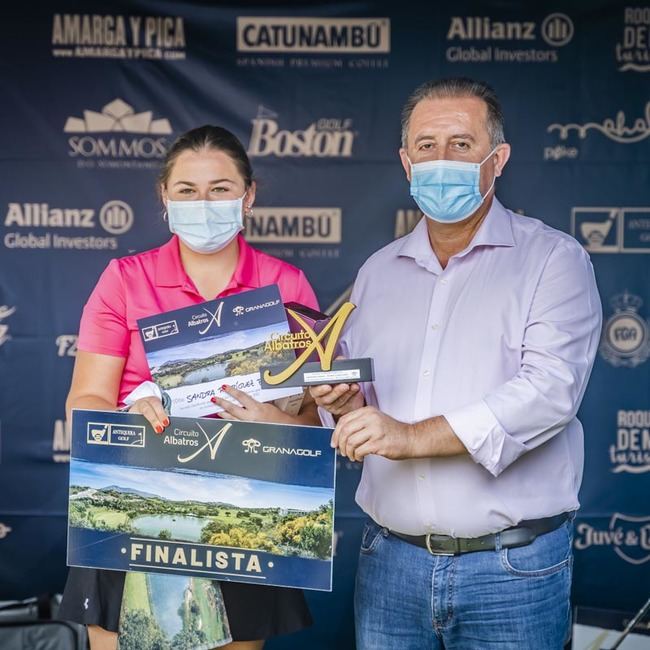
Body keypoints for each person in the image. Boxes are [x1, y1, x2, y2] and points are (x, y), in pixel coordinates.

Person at [310, 77, 602, 649]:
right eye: (426, 146)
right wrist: (346, 405)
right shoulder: (377, 273)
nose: (441, 160)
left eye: (461, 145)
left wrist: (410, 437)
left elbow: (549, 393)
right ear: (405, 161)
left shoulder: (553, 260)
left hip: (511, 569)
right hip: (390, 563)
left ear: (498, 159)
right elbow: (365, 400)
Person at [59, 125, 319, 650]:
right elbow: (85, 402)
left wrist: (280, 422)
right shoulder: (124, 279)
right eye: (187, 190)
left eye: (220, 189)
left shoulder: (285, 284)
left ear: (248, 197)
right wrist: (126, 420)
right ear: (165, 196)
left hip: (242, 512)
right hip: (138, 503)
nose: (204, 203)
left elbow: (314, 418)